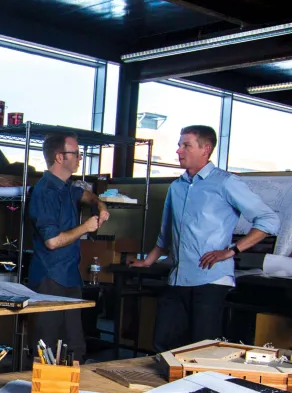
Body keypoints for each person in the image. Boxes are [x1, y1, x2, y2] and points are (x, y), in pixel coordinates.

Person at [129, 125, 277, 352]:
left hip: (211, 279)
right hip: (177, 278)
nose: (178, 151)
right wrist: (148, 261)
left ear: (205, 149)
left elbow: (268, 220)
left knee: (200, 350)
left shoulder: (226, 183)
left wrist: (232, 250)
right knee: (164, 345)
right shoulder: (176, 187)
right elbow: (166, 232)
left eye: (186, 145)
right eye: (179, 145)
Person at [27, 132, 110, 364]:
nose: (80, 158)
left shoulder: (66, 187)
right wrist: (85, 227)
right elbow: (52, 241)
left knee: (74, 345)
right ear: (60, 157)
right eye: (76, 153)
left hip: (69, 276)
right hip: (50, 277)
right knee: (48, 346)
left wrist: (100, 205)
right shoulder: (45, 192)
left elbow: (87, 195)